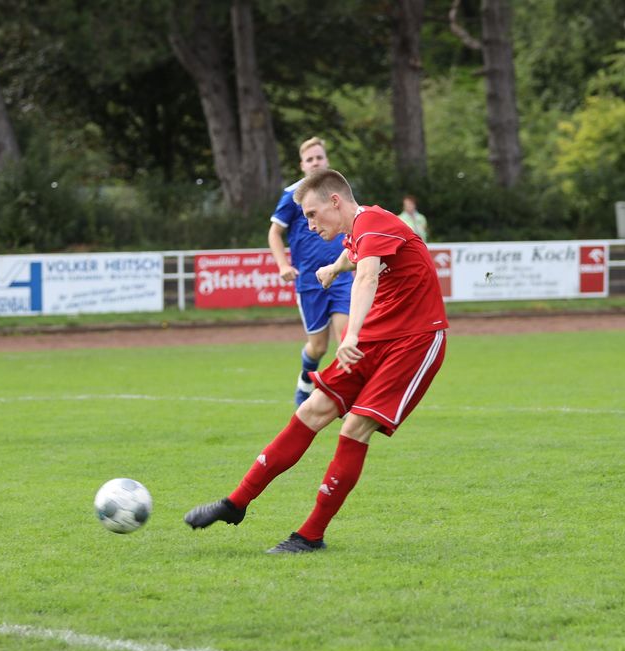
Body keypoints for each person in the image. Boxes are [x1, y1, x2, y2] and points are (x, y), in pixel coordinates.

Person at [185, 169, 447, 554]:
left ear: (335, 201)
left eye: (311, 214)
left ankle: (310, 535)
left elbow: (367, 277)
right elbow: (355, 252)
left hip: (414, 340)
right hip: (377, 336)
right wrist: (336, 266)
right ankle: (235, 503)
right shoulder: (363, 226)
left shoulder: (373, 221)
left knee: (354, 427)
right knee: (312, 410)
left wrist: (352, 333)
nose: (308, 225)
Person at [268, 136, 353, 406]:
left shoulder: (338, 193)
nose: (316, 162)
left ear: (327, 161)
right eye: (310, 159)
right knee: (318, 347)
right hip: (309, 281)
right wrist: (283, 264)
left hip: (341, 276)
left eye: (319, 157)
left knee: (347, 339)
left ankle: (345, 398)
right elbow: (275, 232)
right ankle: (306, 380)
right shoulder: (292, 196)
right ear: (302, 165)